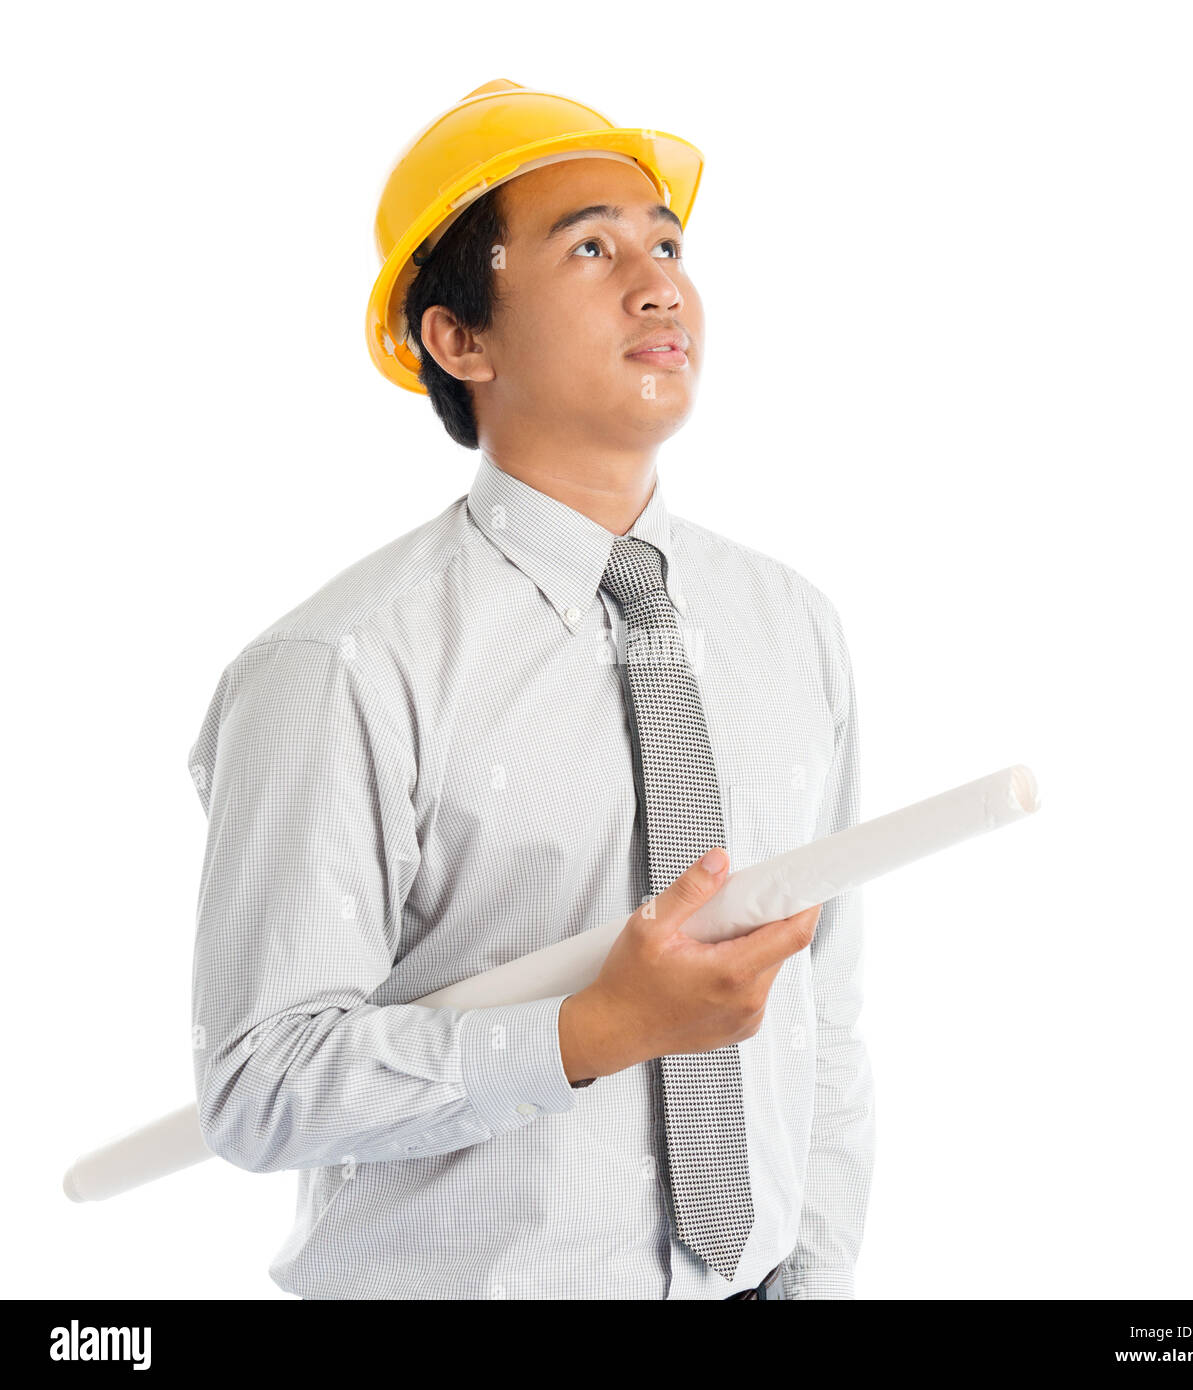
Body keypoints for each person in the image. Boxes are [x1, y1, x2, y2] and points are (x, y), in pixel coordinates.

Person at [189, 79, 874, 1300]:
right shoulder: (341, 666)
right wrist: (593, 1028)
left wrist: (811, 1275)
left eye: (666, 243)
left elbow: (824, 1007)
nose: (658, 282)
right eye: (592, 247)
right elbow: (262, 1085)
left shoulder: (790, 626)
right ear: (460, 338)